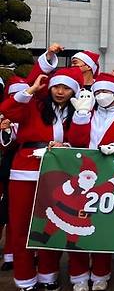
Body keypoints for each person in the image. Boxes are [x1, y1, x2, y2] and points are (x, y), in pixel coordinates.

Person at [0, 68, 83, 291]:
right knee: (21, 226)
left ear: (73, 91)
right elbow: (7, 109)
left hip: (59, 173)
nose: (60, 92)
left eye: (66, 88)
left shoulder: (79, 110)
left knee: (52, 225)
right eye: (57, 86)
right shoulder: (35, 105)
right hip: (24, 172)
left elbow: (83, 139)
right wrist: (30, 90)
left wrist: (66, 145)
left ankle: (48, 275)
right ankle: (25, 278)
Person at [65, 73, 114, 291]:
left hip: (110, 176)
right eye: (97, 92)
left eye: (105, 92)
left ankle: (100, 273)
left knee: (102, 227)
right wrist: (81, 115)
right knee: (75, 226)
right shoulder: (88, 112)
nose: (101, 96)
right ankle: (77, 275)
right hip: (81, 176)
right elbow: (76, 140)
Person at [0, 77, 28, 272]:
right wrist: (6, 129)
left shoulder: (32, 113)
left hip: (26, 165)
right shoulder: (5, 115)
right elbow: (5, 144)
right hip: (8, 165)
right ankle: (10, 254)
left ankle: (26, 254)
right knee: (9, 213)